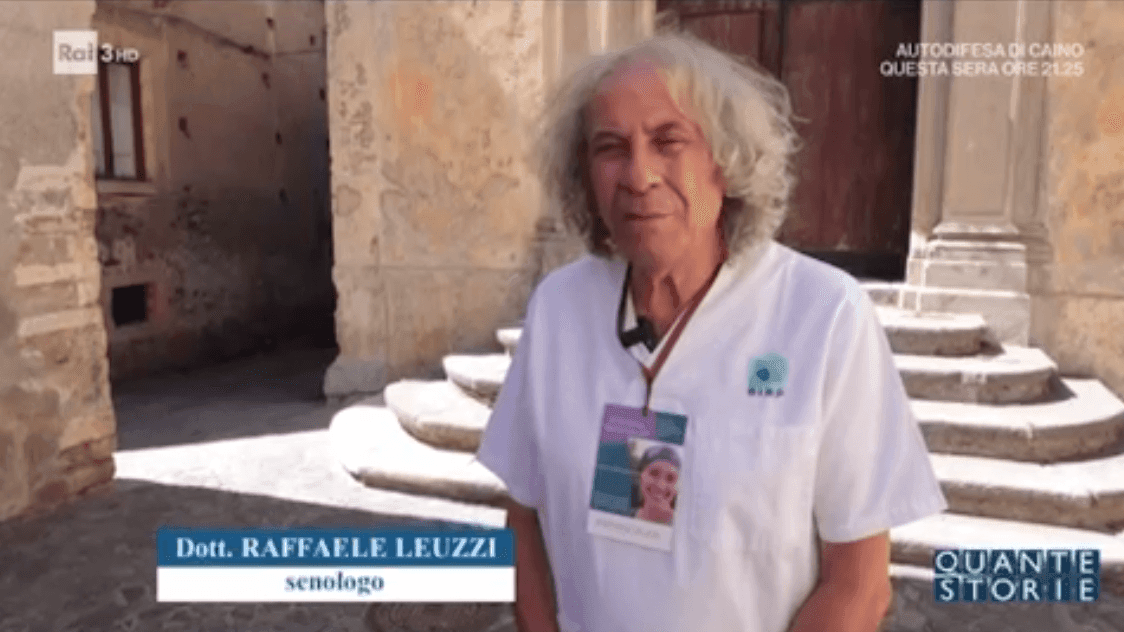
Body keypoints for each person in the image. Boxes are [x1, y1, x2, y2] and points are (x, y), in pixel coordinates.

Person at [475, 29, 947, 632]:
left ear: (725, 163)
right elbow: (524, 521)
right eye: (610, 147)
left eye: (669, 140)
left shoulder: (824, 316)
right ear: (586, 179)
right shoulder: (558, 311)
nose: (639, 174)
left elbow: (858, 586)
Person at [631, 445, 680, 525]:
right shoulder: (619, 517)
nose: (661, 485)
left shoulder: (685, 529)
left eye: (670, 478)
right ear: (640, 476)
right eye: (654, 473)